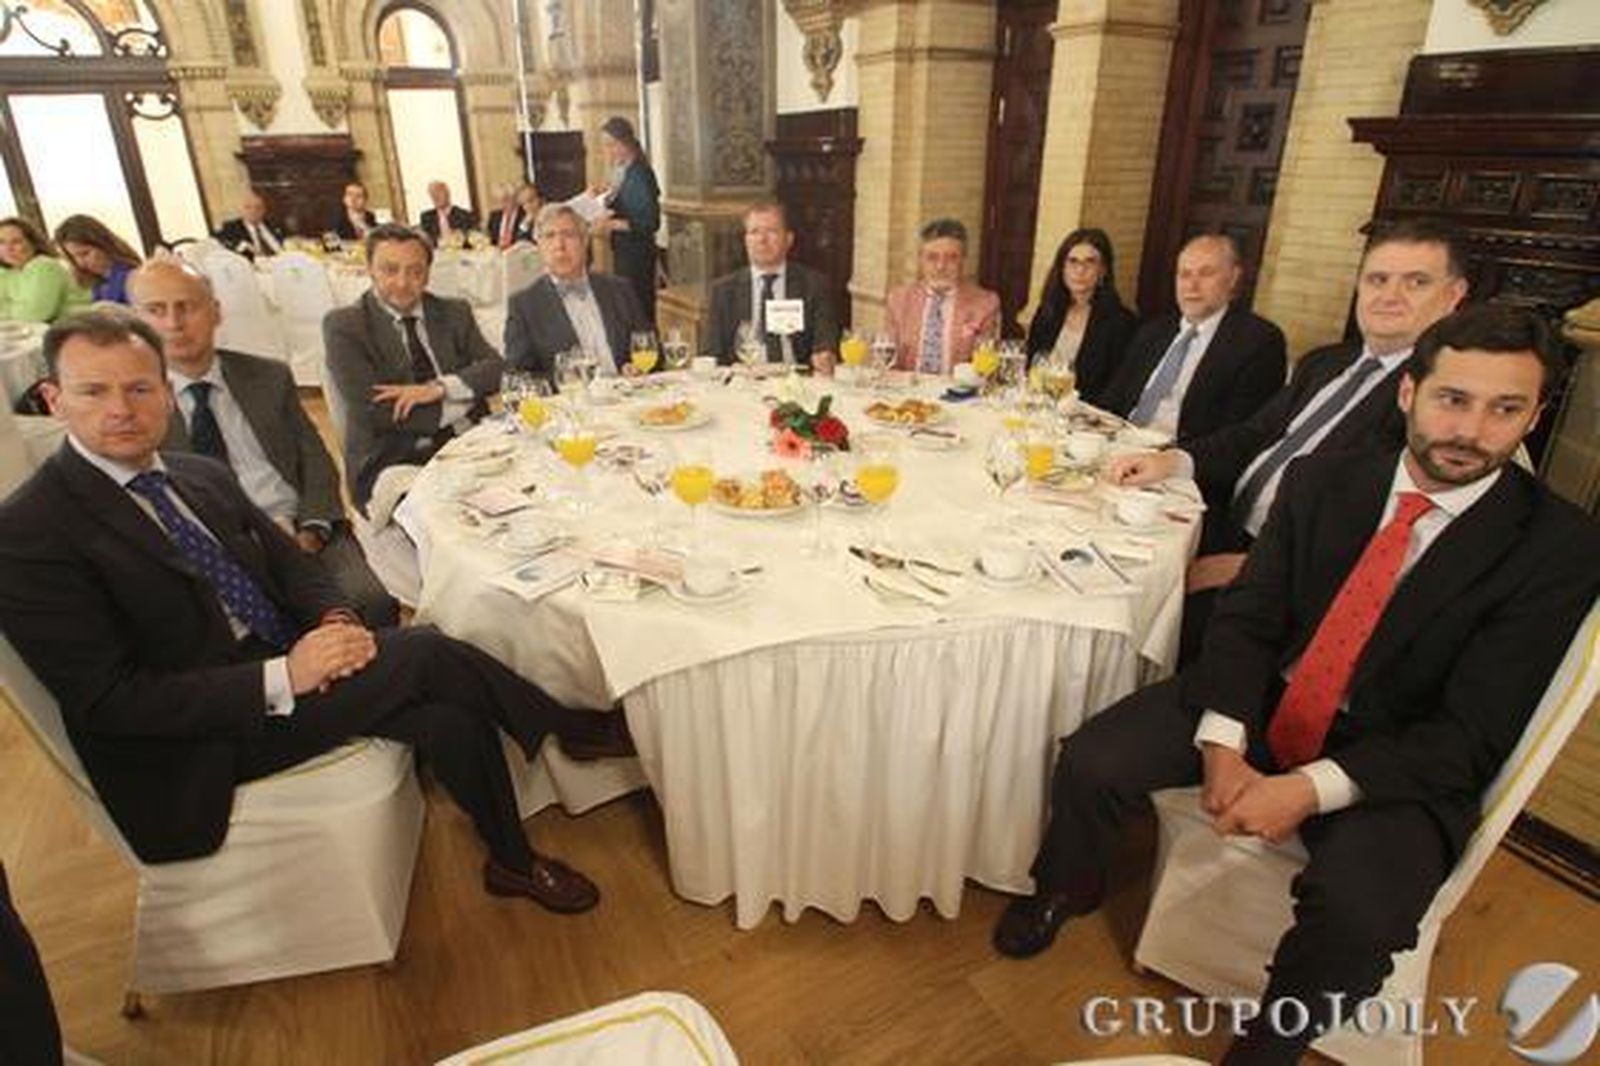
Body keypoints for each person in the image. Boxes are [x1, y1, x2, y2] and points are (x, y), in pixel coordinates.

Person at [994, 302, 1600, 1065]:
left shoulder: (1559, 548)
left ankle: (1270, 1044)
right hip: (1272, 697)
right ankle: (1068, 888)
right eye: (1454, 399)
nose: (1472, 432)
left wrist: (1307, 788)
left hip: (1397, 757)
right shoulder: (1324, 480)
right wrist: (1223, 741)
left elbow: (1469, 733)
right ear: (1410, 393)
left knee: (1359, 913)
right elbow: (1250, 620)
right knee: (1091, 759)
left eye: (1505, 409)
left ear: (1534, 416)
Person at [0, 309, 630, 912]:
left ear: (165, 393)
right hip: (197, 737)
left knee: (446, 713)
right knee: (428, 649)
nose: (120, 410)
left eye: (139, 388)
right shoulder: (30, 532)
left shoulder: (195, 476)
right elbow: (113, 702)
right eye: (93, 391)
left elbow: (296, 568)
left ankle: (512, 862)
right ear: (55, 401)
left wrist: (336, 622)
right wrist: (284, 676)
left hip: (283, 662)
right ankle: (566, 725)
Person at [1107, 221, 1470, 659]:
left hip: (1284, 580)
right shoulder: (1325, 363)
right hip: (1224, 521)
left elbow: (1381, 531)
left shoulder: (1439, 403)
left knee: (1126, 616)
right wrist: (1173, 462)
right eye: (1378, 279)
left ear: (1453, 296)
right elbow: (1253, 433)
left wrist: (1250, 568)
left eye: (1416, 282)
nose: (1389, 295)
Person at [129, 259, 398, 627]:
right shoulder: (134, 408)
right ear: (137, 321)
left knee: (372, 602)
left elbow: (315, 459)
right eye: (156, 310)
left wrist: (313, 528)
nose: (174, 323)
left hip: (300, 530)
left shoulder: (267, 376)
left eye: (188, 306)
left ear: (215, 312)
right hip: (213, 556)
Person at [322, 224, 501, 511]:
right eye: (390, 270)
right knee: (457, 520)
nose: (403, 282)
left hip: (474, 445)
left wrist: (438, 389)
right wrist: (463, 398)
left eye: (415, 271)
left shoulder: (454, 312)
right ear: (369, 269)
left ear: (428, 273)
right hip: (393, 458)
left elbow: (496, 369)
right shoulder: (345, 325)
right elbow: (376, 411)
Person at [1099, 233, 1285, 440]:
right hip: (1118, 441)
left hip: (1180, 457)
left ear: (1233, 278)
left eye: (1206, 273)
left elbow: (1240, 435)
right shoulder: (1153, 330)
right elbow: (1112, 398)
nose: (1191, 286)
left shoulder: (1258, 342)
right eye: (1184, 274)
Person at [503, 203, 649, 380]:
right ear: (539, 246)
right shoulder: (524, 306)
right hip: (570, 404)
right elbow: (518, 376)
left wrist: (635, 368)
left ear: (585, 241)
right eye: (550, 236)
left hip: (630, 398)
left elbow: (650, 348)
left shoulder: (619, 290)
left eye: (568, 235)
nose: (559, 245)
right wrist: (562, 382)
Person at [704, 201, 839, 371]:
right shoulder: (723, 291)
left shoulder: (814, 285)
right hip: (743, 383)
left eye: (771, 231)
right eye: (754, 232)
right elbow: (711, 354)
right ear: (746, 240)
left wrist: (825, 356)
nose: (762, 240)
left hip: (798, 382)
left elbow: (825, 344)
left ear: (789, 239)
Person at [1024, 227, 1137, 407]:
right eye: (1073, 261)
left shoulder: (1121, 323)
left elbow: (1117, 389)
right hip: (1040, 407)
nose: (1080, 270)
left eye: (1090, 262)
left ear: (1103, 271)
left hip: (1086, 418)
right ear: (1062, 268)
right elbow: (1031, 367)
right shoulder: (1048, 311)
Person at [881, 218, 1000, 375]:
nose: (941, 266)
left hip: (959, 394)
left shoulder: (985, 304)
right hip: (908, 392)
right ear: (920, 259)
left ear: (964, 260)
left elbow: (985, 369)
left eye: (951, 258)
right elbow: (886, 360)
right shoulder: (898, 300)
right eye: (932, 257)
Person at [594, 116, 662, 322]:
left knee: (638, 310)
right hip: (625, 250)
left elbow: (650, 222)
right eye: (605, 145)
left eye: (611, 144)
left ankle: (647, 350)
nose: (607, 151)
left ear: (625, 142)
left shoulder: (638, 174)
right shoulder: (622, 170)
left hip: (637, 255)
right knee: (629, 308)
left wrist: (611, 223)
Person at [0, 217, 89, 324]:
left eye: (16, 242)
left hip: (82, 326)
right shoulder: (11, 272)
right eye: (1, 242)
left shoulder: (44, 266)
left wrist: (9, 307)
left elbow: (34, 314)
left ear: (33, 243)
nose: (8, 248)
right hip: (51, 331)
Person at [53, 215, 142, 306]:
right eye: (73, 257)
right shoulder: (95, 282)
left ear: (103, 244)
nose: (80, 263)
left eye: (85, 253)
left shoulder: (131, 275)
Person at [213, 190, 286, 260]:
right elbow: (214, 242)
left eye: (258, 207)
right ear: (241, 209)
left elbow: (289, 243)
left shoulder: (274, 225)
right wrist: (242, 246)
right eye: (248, 207)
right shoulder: (231, 228)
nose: (253, 211)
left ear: (264, 210)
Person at [418, 181, 477, 245]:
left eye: (438, 192)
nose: (435, 197)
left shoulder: (464, 215)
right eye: (432, 194)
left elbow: (470, 239)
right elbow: (426, 241)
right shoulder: (426, 217)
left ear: (447, 194)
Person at [485, 183, 530, 250]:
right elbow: (490, 238)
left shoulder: (524, 215)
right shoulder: (494, 216)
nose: (502, 205)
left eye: (505, 200)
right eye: (499, 201)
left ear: (515, 199)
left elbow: (522, 235)